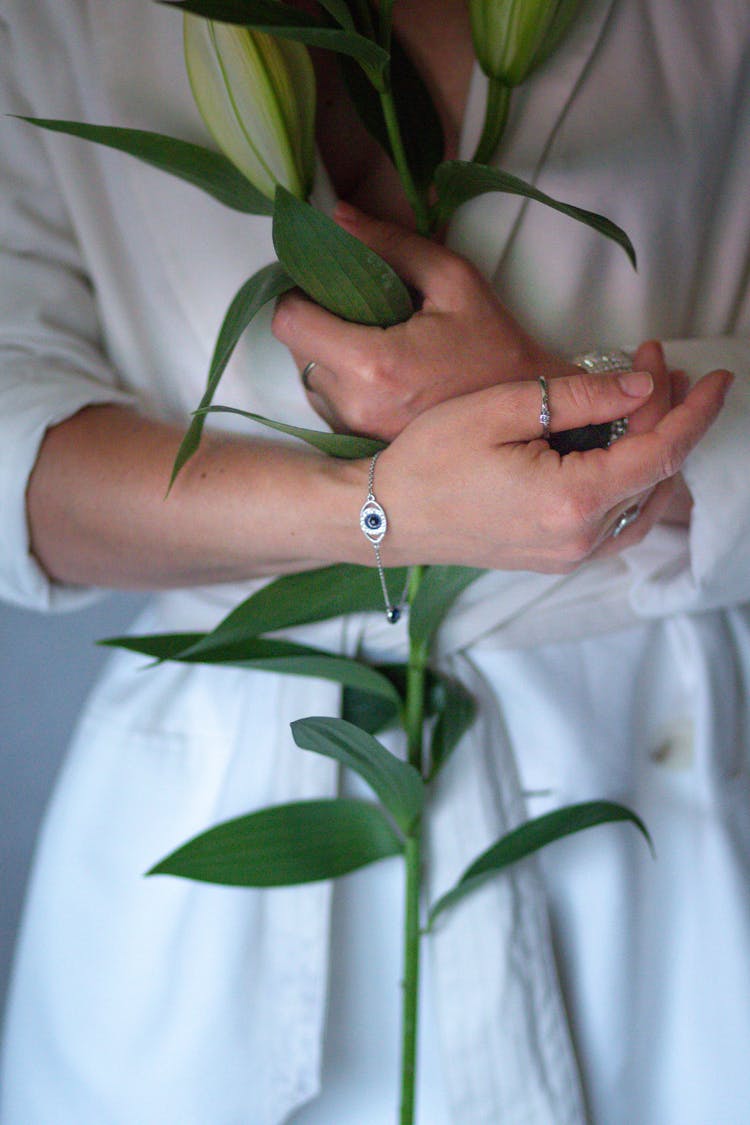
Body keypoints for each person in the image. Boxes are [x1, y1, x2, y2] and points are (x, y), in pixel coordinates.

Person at [0, 0, 748, 1122]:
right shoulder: (51, 19)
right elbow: (15, 444)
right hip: (221, 835)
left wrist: (555, 399)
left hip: (656, 775)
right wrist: (377, 510)